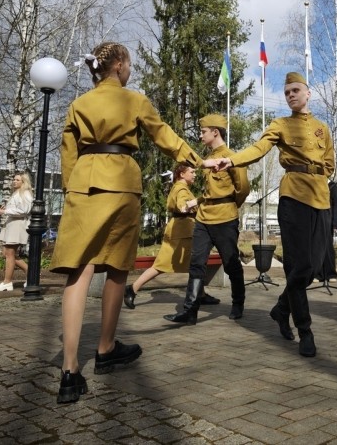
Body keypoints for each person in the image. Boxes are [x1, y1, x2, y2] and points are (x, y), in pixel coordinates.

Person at [51, 42, 202, 404]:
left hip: (84, 184)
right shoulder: (133, 100)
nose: (130, 71)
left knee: (79, 270)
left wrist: (73, 188)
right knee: (117, 268)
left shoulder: (78, 104)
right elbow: (163, 135)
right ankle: (105, 348)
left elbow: (68, 154)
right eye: (129, 65)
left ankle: (69, 370)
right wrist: (197, 159)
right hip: (120, 182)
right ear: (118, 65)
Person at [203, 72, 334, 357]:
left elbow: (330, 164)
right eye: (287, 92)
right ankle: (305, 331)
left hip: (321, 198)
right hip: (294, 197)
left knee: (312, 268)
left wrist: (320, 175)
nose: (291, 95)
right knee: (299, 267)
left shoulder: (323, 128)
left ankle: (281, 308)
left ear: (308, 93)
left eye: (296, 90)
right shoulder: (281, 124)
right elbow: (260, 148)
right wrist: (231, 159)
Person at [164, 114, 250, 324]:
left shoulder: (231, 158)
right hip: (203, 217)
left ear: (215, 132)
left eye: (203, 132)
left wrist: (228, 204)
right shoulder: (206, 160)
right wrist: (199, 202)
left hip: (225, 217)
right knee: (196, 263)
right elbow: (209, 191)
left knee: (231, 264)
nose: (200, 135)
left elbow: (243, 189)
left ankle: (238, 302)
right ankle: (190, 311)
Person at [124, 163, 197, 309]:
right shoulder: (181, 188)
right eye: (192, 172)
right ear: (182, 174)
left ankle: (199, 293)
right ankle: (132, 288)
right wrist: (199, 201)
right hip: (181, 231)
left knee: (196, 263)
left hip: (182, 230)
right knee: (162, 265)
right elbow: (183, 205)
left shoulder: (179, 187)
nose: (195, 174)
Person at [0, 172, 34, 291]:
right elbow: (17, 209)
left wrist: (5, 212)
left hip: (17, 225)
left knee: (10, 254)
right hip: (11, 224)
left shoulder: (25, 194)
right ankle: (31, 273)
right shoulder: (17, 193)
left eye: (17, 180)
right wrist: (6, 210)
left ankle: (7, 282)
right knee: (7, 253)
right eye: (14, 179)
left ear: (24, 182)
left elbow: (24, 210)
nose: (14, 181)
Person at [313, 178, 337, 283]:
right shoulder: (315, 182)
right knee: (316, 247)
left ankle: (331, 274)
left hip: (328, 220)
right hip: (317, 219)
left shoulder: (332, 185)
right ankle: (318, 274)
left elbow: (336, 205)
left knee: (328, 248)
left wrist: (335, 223)